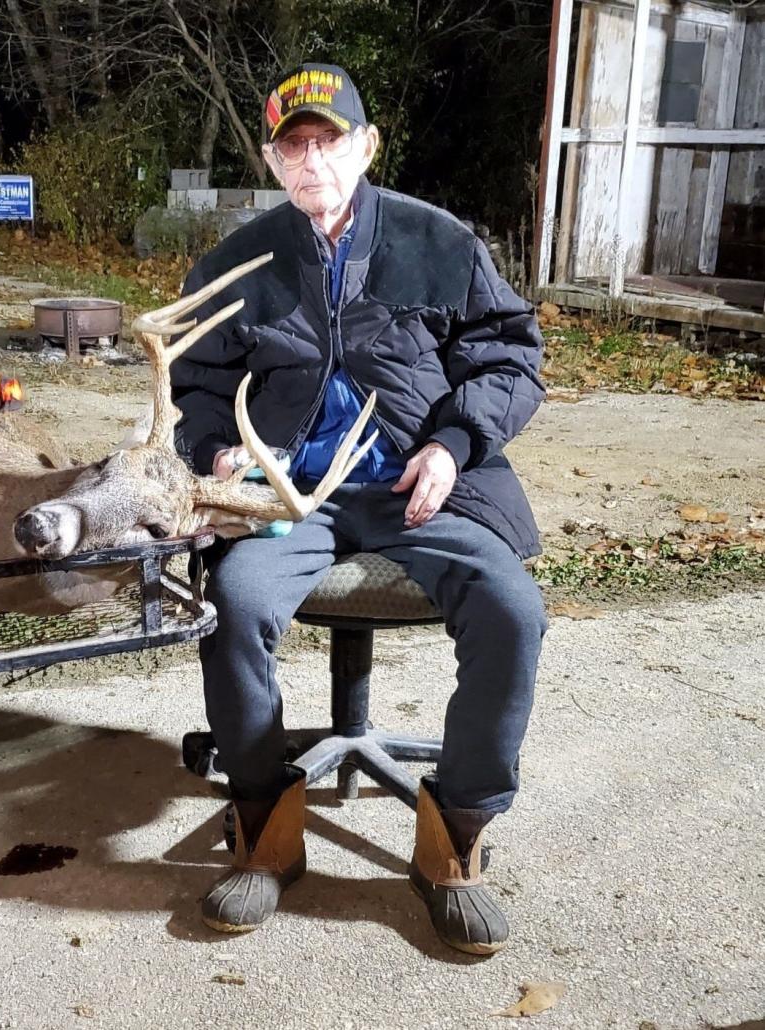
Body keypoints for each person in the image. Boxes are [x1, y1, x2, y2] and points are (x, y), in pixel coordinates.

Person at [171, 62, 547, 954]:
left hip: (422, 492)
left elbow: (511, 362)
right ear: (271, 159)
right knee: (235, 607)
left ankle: (454, 835)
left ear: (366, 145)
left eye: (328, 140)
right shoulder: (236, 264)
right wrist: (218, 449)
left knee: (512, 612)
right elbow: (195, 386)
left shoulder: (440, 241)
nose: (312, 160)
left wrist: (453, 446)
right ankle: (264, 833)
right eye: (292, 145)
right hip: (291, 498)